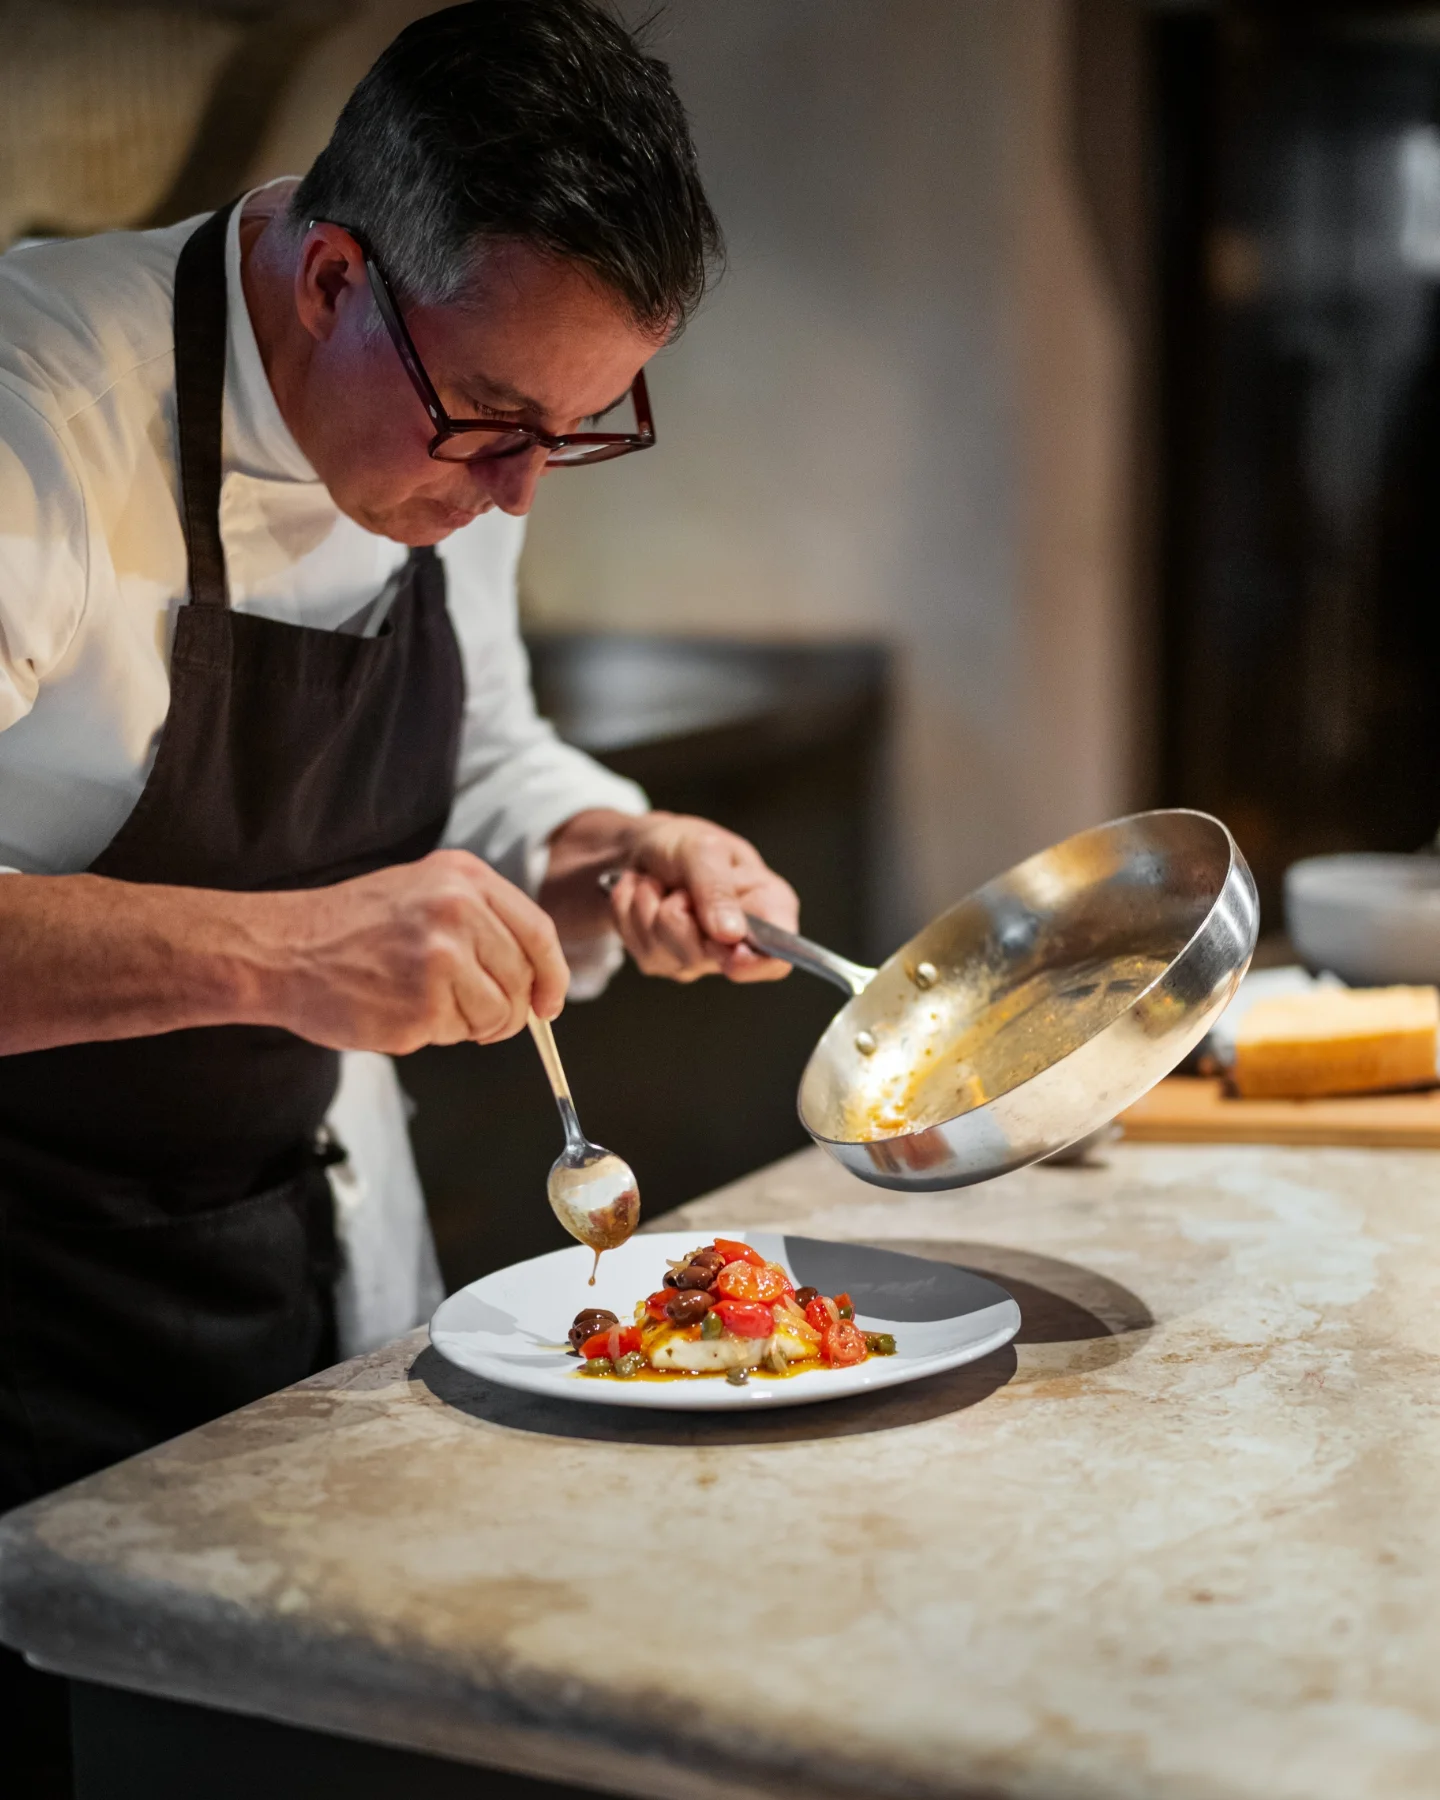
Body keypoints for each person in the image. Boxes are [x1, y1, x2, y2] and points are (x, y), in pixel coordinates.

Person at [0, 2, 796, 1783]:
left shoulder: (465, 418)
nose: (520, 486)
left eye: (581, 430)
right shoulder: (33, 413)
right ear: (330, 279)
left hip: (293, 1268)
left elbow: (486, 755)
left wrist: (598, 851)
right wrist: (280, 948)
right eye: (497, 423)